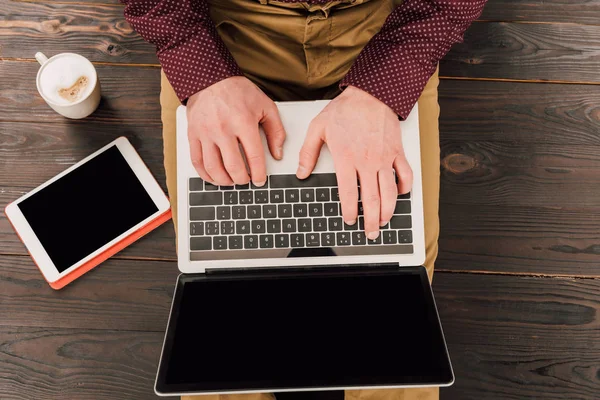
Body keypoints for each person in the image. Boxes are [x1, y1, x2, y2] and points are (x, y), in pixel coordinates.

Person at [121, 1, 486, 399]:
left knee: (398, 285)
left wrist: (382, 88)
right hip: (222, 29)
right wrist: (202, 72)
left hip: (386, 28)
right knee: (215, 285)